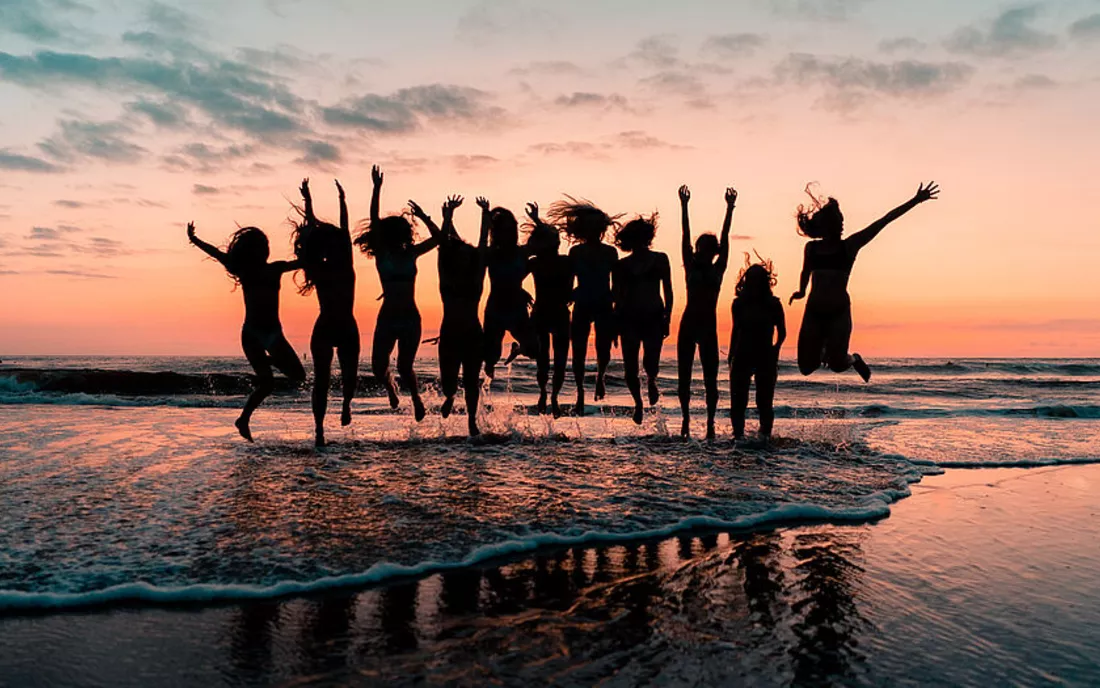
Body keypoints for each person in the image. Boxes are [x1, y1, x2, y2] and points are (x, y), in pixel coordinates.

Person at [790, 182, 939, 382]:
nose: (842, 223)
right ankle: (824, 350)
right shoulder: (811, 248)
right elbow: (805, 271)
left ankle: (854, 359)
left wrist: (915, 200)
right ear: (826, 225)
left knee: (838, 364)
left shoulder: (850, 246)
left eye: (842, 219)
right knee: (806, 367)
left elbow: (884, 220)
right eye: (838, 220)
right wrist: (800, 291)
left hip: (838, 312)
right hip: (814, 311)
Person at [186, 221, 305, 441]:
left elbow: (302, 262)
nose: (265, 251)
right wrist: (195, 240)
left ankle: (244, 417)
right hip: (256, 333)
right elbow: (216, 253)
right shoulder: (253, 270)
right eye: (263, 247)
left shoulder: (270, 269)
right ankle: (244, 419)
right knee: (276, 380)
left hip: (263, 333)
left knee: (294, 376)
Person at [354, 165, 438, 421]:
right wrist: (376, 189)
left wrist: (423, 216)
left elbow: (438, 238)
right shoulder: (382, 255)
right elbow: (374, 220)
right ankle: (391, 388)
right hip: (388, 317)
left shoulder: (411, 253)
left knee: (405, 366)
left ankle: (415, 399)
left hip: (411, 317)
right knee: (379, 367)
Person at [408, 195, 487, 436]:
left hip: (473, 334)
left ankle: (472, 421)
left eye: (466, 254)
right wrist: (445, 217)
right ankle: (451, 397)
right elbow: (444, 243)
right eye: (459, 254)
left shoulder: (476, 277)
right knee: (449, 383)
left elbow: (483, 245)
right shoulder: (447, 276)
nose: (462, 256)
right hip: (450, 334)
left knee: (472, 381)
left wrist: (486, 214)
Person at [293, 178, 359, 447]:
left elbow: (345, 231)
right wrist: (307, 202)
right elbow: (310, 230)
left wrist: (343, 201)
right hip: (325, 325)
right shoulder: (317, 267)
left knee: (350, 376)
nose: (333, 246)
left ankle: (346, 404)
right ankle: (319, 429)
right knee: (321, 380)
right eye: (328, 244)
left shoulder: (346, 261)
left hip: (346, 326)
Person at [546, 198, 620, 415]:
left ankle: (600, 378)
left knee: (602, 348)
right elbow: (570, 281)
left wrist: (616, 307)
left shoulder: (610, 252)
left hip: (603, 302)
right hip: (584, 302)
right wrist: (569, 294)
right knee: (578, 350)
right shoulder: (576, 252)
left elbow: (616, 284)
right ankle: (579, 392)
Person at [676, 185, 736, 440]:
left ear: (714, 252)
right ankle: (686, 420)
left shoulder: (718, 268)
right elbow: (684, 234)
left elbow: (725, 237)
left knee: (711, 379)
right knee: (684, 376)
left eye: (708, 248)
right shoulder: (689, 264)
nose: (703, 251)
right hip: (688, 323)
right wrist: (684, 206)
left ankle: (710, 422)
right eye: (701, 247)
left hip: (708, 326)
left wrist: (730, 209)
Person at [612, 215, 673, 425]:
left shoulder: (660, 259)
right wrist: (614, 325)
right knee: (630, 367)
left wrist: (668, 316)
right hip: (628, 318)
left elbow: (668, 290)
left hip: (653, 316)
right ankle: (638, 402)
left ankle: (652, 381)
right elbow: (616, 297)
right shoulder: (621, 266)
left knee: (651, 361)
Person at [480, 198, 538, 382]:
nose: (506, 233)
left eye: (509, 229)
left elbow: (546, 238)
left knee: (534, 350)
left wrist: (536, 219)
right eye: (501, 229)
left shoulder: (522, 252)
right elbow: (479, 247)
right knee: (491, 356)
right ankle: (488, 367)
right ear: (495, 232)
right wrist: (485, 217)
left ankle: (518, 349)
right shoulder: (491, 253)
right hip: (496, 308)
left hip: (516, 309)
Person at [729, 256, 786, 440]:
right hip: (742, 354)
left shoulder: (773, 304)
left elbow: (782, 331)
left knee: (764, 402)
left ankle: (765, 438)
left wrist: (775, 349)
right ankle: (738, 438)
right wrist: (731, 355)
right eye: (750, 279)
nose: (753, 284)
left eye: (757, 280)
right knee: (738, 401)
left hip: (765, 356)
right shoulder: (738, 304)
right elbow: (735, 330)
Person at [525, 203, 572, 417]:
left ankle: (551, 395)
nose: (557, 242)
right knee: (547, 358)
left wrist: (537, 220)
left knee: (554, 359)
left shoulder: (564, 261)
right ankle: (547, 393)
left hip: (555, 312)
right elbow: (512, 280)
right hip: (546, 312)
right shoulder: (538, 262)